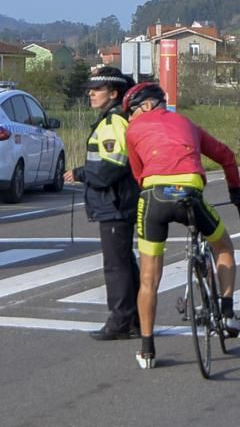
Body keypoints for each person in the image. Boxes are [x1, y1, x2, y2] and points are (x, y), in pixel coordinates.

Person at [121, 82, 240, 370]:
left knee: (148, 278)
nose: (130, 118)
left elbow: (138, 174)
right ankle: (227, 312)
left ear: (145, 106)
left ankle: (147, 350)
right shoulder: (187, 123)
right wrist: (235, 191)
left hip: (153, 197)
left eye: (131, 111)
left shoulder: (132, 131)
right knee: (223, 247)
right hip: (190, 194)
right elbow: (227, 156)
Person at [64, 67, 141, 341]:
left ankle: (121, 320)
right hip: (119, 201)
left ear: (114, 93)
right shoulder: (114, 119)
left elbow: (112, 167)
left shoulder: (113, 122)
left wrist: (81, 173)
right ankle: (133, 319)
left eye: (96, 90)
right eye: (90, 89)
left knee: (116, 265)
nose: (90, 94)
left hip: (115, 202)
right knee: (124, 261)